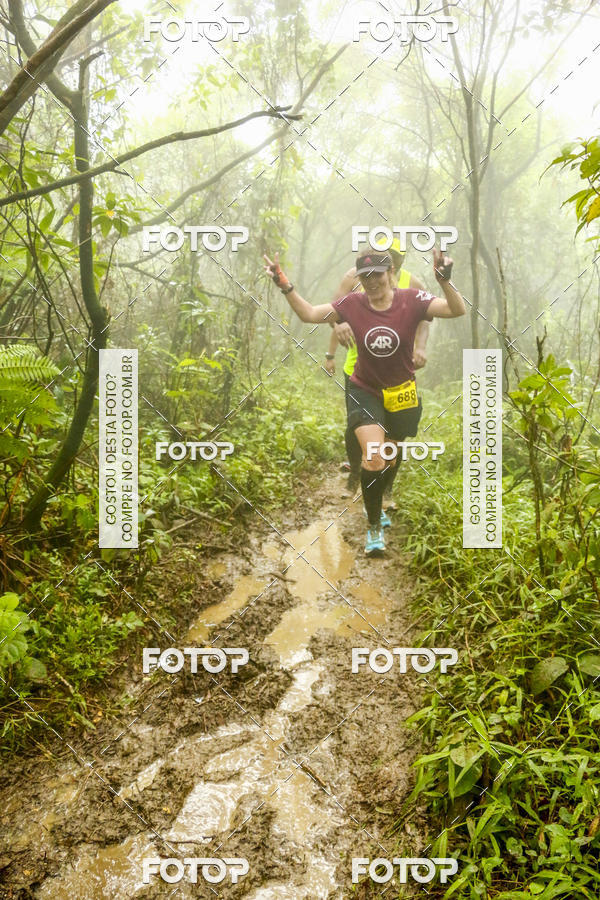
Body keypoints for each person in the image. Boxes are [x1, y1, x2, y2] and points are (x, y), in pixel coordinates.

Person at [263, 247, 465, 556]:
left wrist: (445, 280)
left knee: (390, 458)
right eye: (365, 277)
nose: (372, 282)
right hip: (364, 389)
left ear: (390, 274)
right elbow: (308, 314)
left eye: (377, 275)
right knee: (374, 457)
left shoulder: (412, 300)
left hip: (401, 392)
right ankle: (373, 526)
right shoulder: (352, 304)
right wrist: (284, 284)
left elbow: (456, 310)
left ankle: (378, 501)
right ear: (359, 279)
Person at [324, 238, 431, 499]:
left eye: (396, 257)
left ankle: (387, 488)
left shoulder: (413, 284)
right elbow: (332, 313)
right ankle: (355, 474)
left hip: (398, 373)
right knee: (356, 425)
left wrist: (421, 347)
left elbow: (426, 317)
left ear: (397, 264)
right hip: (358, 366)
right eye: (387, 254)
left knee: (395, 436)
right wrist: (335, 336)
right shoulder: (355, 277)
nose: (391, 260)